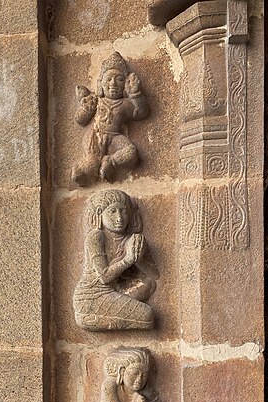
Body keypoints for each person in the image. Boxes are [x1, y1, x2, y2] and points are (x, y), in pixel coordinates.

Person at [73, 189, 159, 331]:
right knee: (147, 316)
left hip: (113, 291)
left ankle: (102, 316)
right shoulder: (96, 237)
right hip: (91, 296)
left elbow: (154, 275)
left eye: (124, 211)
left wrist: (138, 259)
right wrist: (128, 259)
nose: (120, 218)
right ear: (100, 214)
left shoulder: (131, 240)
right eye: (112, 211)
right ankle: (88, 316)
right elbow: (105, 277)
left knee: (149, 284)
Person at [71, 52, 149, 186]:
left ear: (125, 83)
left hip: (115, 137)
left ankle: (111, 162)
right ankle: (86, 171)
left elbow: (141, 113)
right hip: (95, 136)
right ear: (100, 83)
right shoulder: (97, 101)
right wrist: (86, 108)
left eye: (119, 79)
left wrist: (135, 94)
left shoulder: (125, 104)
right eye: (108, 79)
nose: (113, 83)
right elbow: (80, 120)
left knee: (132, 153)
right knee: (92, 161)